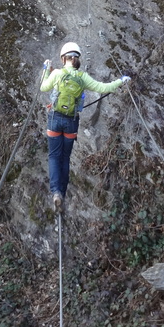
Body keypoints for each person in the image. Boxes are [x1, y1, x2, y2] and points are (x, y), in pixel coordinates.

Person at [40, 41, 130, 212]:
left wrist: (46, 70)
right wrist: (121, 81)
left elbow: (43, 87)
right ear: (77, 58)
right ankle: (63, 194)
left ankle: (56, 192)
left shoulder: (57, 73)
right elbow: (104, 87)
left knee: (53, 156)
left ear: (63, 58)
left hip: (54, 119)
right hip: (71, 122)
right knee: (65, 158)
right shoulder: (82, 77)